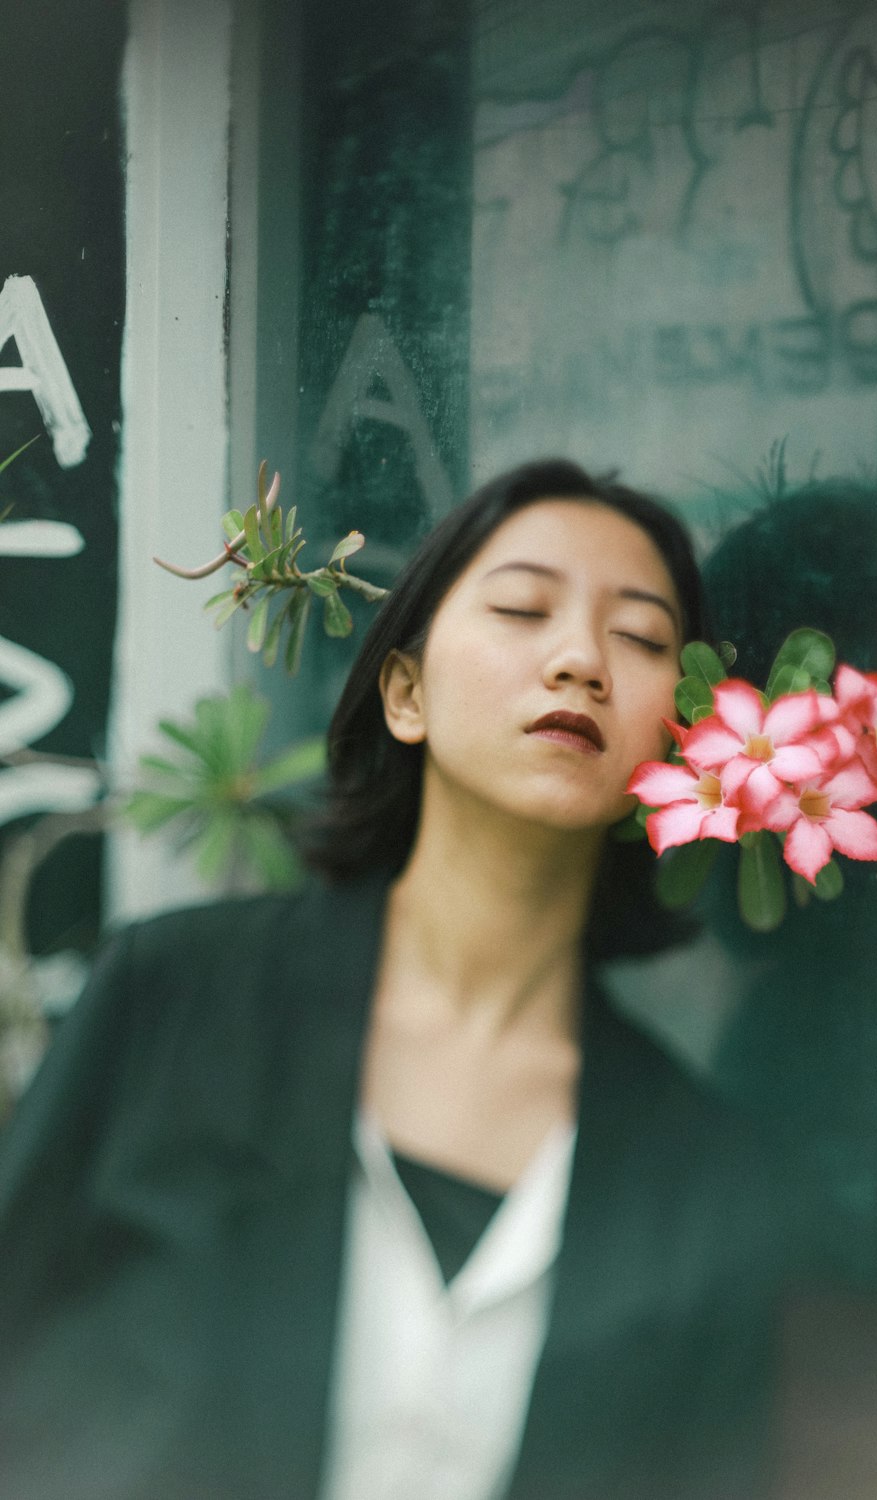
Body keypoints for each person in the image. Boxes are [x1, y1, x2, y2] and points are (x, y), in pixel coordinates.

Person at [0, 459, 788, 1500]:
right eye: (520, 607)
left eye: (640, 638)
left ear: (677, 749)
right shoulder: (174, 1000)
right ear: (406, 693)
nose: (579, 661)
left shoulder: (699, 1174)